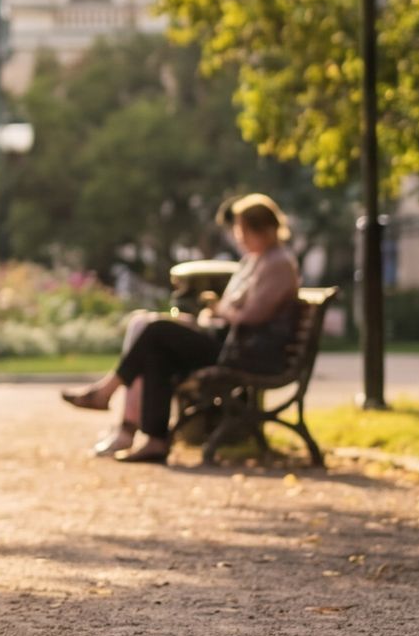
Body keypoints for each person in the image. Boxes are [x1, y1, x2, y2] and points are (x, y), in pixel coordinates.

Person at [62, 193, 300, 464]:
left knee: (156, 330)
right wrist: (211, 314)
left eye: (244, 230)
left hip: (245, 351)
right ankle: (155, 440)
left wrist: (219, 309)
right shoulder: (255, 261)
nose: (239, 237)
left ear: (264, 229)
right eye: (238, 230)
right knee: (157, 351)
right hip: (230, 341)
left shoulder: (278, 264)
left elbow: (251, 316)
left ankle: (108, 391)